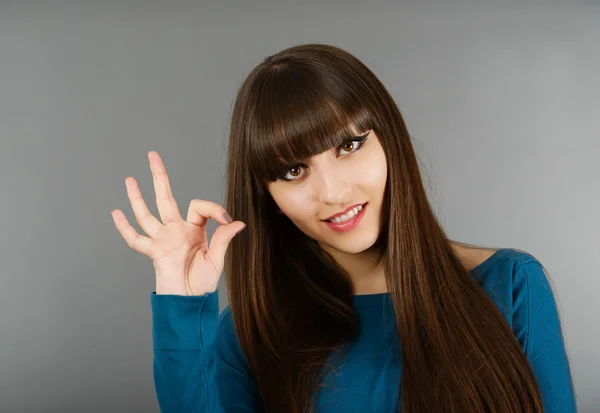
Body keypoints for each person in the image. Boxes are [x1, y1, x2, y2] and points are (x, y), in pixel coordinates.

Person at [111, 43, 577, 412]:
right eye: (294, 171)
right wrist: (182, 304)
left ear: (389, 139)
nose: (332, 192)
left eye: (349, 145)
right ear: (267, 196)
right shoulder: (255, 329)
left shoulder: (510, 285)